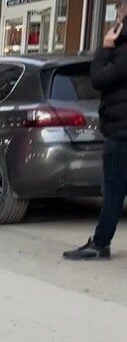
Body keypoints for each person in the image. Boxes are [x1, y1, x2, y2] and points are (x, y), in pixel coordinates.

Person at [65, 2, 127, 260]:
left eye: (119, 10)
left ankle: (100, 244)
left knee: (112, 188)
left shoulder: (122, 50)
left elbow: (99, 79)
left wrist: (104, 48)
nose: (116, 15)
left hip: (121, 131)